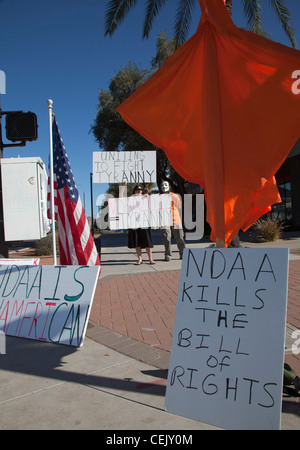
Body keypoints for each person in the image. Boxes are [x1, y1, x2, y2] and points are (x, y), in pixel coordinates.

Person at [121, 183, 155, 265]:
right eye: (136, 189)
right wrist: (123, 186)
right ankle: (140, 259)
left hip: (145, 223)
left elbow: (154, 204)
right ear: (134, 191)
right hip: (134, 224)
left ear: (142, 191)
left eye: (140, 189)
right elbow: (121, 198)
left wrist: (148, 196)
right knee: (137, 242)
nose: (138, 191)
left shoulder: (146, 198)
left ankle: (150, 259)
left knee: (147, 242)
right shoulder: (130, 199)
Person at [160, 180, 185, 261]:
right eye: (162, 185)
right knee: (166, 238)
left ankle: (182, 253)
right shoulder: (158, 197)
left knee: (180, 237)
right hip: (165, 221)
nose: (164, 187)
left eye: (166, 185)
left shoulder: (174, 196)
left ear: (169, 186)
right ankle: (167, 255)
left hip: (176, 220)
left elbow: (178, 206)